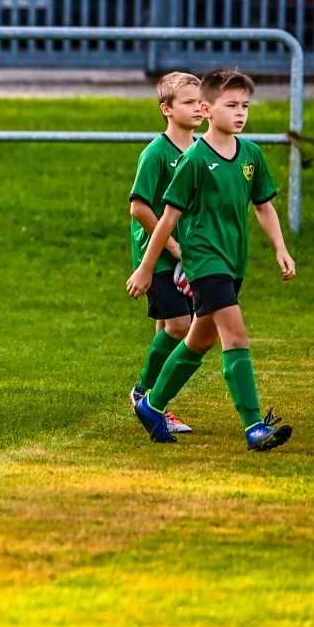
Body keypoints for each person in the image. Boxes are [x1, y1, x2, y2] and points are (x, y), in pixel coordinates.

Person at [126, 68, 297, 452]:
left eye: (245, 106)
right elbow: (166, 219)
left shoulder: (251, 154)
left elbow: (264, 207)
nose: (240, 113)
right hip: (205, 263)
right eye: (231, 105)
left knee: (197, 341)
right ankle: (254, 427)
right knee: (233, 335)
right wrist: (147, 267)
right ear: (208, 108)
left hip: (233, 262)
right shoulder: (195, 159)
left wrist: (280, 247)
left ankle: (152, 406)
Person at [125, 71, 205, 435]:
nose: (198, 107)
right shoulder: (156, 152)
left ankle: (158, 406)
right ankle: (142, 393)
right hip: (157, 255)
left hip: (188, 256)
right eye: (188, 102)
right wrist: (172, 246)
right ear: (167, 109)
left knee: (166, 327)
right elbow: (139, 207)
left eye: (200, 100)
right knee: (180, 326)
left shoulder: (202, 150)